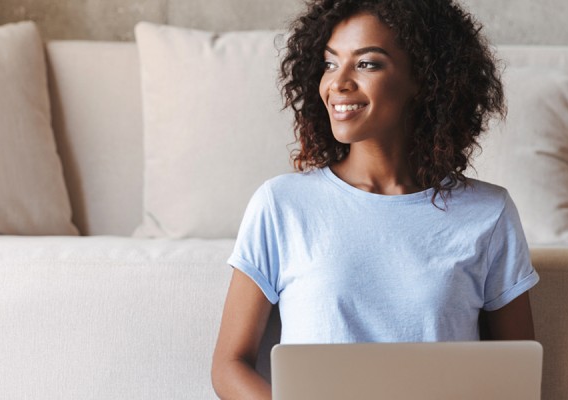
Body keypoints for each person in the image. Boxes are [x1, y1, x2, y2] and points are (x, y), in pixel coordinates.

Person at [211, 0, 539, 398]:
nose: (338, 83)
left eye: (367, 64)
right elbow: (229, 365)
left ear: (423, 78)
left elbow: (517, 378)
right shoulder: (282, 205)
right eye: (331, 63)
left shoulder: (489, 214)